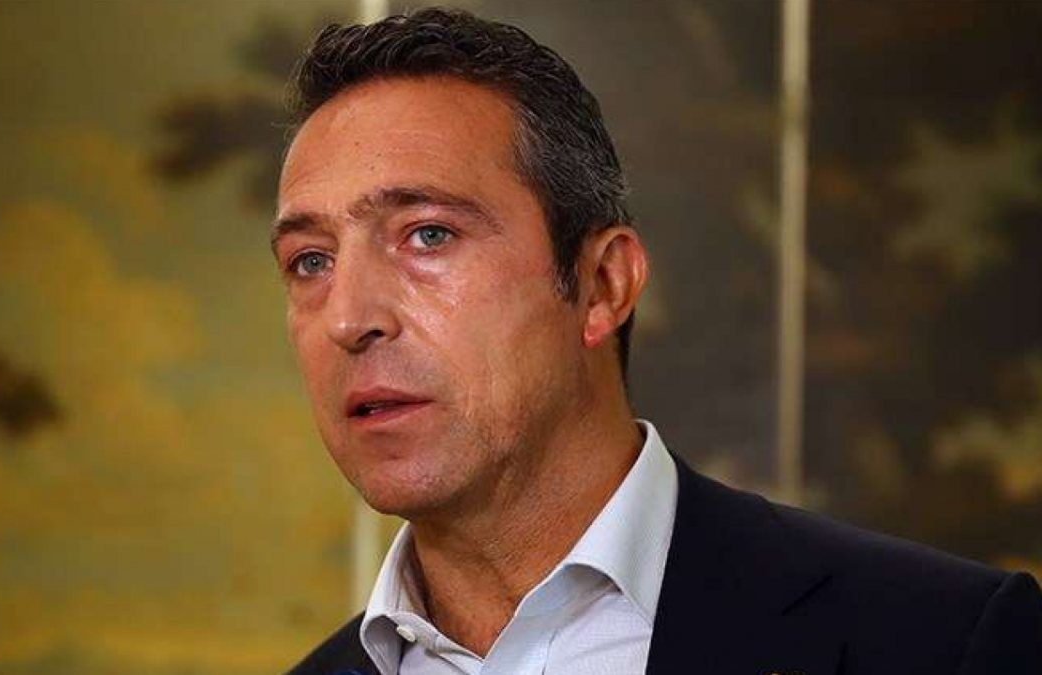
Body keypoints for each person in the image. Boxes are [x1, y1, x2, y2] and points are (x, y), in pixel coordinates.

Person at [272, 7, 1042, 674]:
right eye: (310, 260)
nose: (348, 317)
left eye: (428, 234)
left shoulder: (944, 640)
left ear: (604, 284)